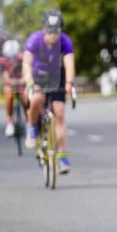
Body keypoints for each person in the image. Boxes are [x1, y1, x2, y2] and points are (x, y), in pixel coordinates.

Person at [23, 10, 75, 174]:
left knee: (59, 112)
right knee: (36, 99)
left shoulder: (65, 41)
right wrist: (30, 82)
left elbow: (69, 63)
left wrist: (69, 83)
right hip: (38, 75)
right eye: (49, 30)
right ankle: (32, 128)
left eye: (56, 31)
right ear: (43, 28)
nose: (52, 35)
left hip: (56, 75)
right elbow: (26, 63)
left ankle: (63, 156)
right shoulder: (34, 40)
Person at [0, 39, 25, 137]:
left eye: (13, 57)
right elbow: (5, 77)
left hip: (21, 80)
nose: (12, 59)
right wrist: (10, 82)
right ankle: (9, 123)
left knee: (25, 97)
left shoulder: (22, 58)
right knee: (9, 96)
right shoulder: (3, 61)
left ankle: (28, 120)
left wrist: (22, 80)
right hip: (9, 81)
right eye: (9, 57)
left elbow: (26, 71)